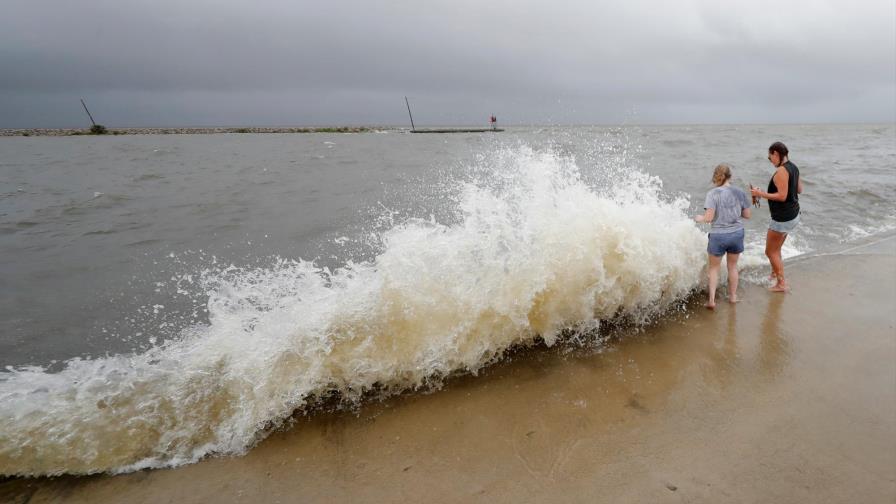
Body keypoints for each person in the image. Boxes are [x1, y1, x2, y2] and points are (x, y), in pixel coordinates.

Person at [695, 164, 752, 309]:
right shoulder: (739, 192)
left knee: (714, 269)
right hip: (736, 234)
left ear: (716, 177)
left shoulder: (712, 194)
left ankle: (712, 301)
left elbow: (708, 218)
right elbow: (747, 215)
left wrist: (699, 218)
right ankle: (733, 297)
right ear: (730, 176)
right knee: (732, 266)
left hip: (718, 236)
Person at [750, 142, 802, 292]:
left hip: (782, 219)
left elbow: (782, 196)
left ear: (776, 154)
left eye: (770, 157)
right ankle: (774, 273)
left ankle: (781, 283)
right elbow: (800, 189)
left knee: (770, 251)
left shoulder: (781, 171)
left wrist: (760, 194)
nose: (770, 160)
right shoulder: (794, 167)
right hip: (794, 215)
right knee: (776, 248)